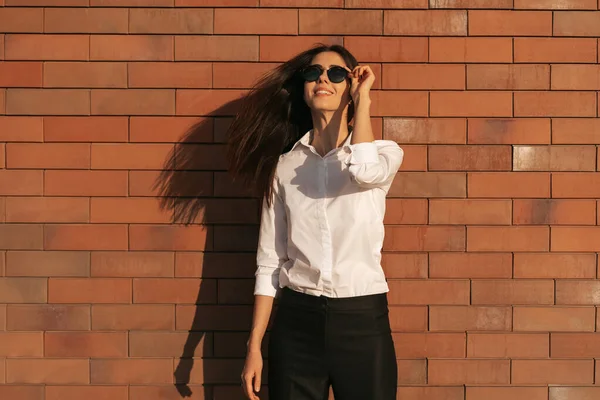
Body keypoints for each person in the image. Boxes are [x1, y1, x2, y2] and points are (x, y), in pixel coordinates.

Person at [226, 44, 404, 400]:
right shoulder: (284, 167)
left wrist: (364, 100)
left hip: (361, 321)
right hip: (297, 322)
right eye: (313, 73)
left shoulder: (384, 153)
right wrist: (254, 345)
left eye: (336, 73)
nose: (323, 78)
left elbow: (364, 172)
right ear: (304, 88)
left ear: (350, 87)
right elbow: (269, 261)